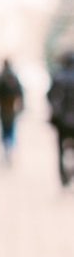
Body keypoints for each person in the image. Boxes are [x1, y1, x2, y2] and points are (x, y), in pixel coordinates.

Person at [0, 58, 24, 167]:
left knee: (3, 132)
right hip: (12, 109)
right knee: (11, 131)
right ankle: (10, 148)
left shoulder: (0, 78)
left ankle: (5, 151)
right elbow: (20, 93)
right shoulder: (14, 77)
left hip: (2, 109)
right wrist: (21, 107)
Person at [47, 51, 74, 187]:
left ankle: (63, 177)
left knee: (60, 150)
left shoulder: (58, 76)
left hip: (62, 122)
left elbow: (50, 96)